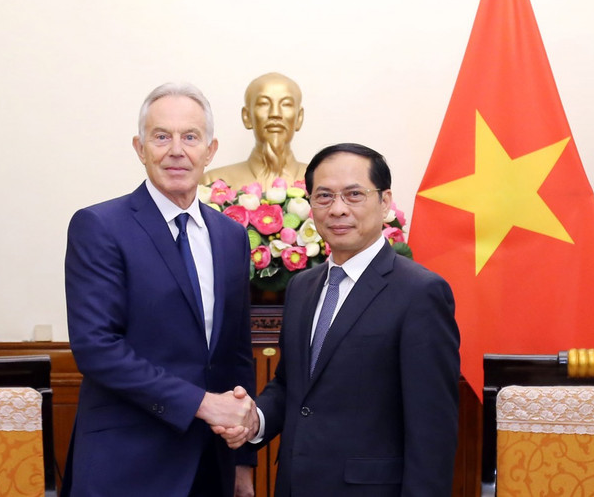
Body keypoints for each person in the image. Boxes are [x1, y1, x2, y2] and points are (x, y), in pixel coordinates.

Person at [218, 143, 461, 496]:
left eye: (354, 195)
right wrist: (256, 421)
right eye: (325, 196)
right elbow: (291, 385)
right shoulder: (302, 286)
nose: (338, 209)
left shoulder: (420, 293)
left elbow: (433, 431)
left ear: (385, 201)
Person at [62, 83, 258, 497]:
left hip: (211, 464)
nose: (176, 150)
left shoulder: (231, 236)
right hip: (127, 465)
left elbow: (237, 353)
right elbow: (96, 348)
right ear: (139, 147)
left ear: (210, 149)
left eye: (190, 137)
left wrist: (243, 462)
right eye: (161, 136)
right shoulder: (99, 226)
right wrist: (203, 404)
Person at [202, 72, 308, 191]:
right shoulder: (213, 183)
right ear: (247, 116)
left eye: (286, 104)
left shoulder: (321, 182)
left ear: (299, 118)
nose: (275, 113)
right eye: (264, 103)